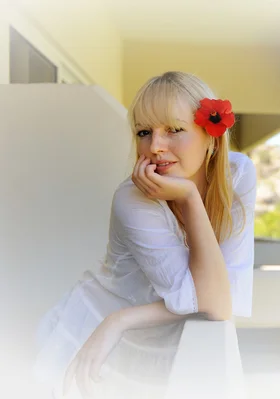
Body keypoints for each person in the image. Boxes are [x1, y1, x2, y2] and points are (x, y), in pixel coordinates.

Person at [32, 71, 257, 398]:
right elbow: (207, 300)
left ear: (211, 136)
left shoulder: (237, 175)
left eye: (174, 130)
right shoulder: (132, 198)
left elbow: (220, 301)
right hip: (86, 336)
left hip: (137, 336)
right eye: (144, 132)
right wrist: (189, 197)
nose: (155, 147)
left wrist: (121, 320)